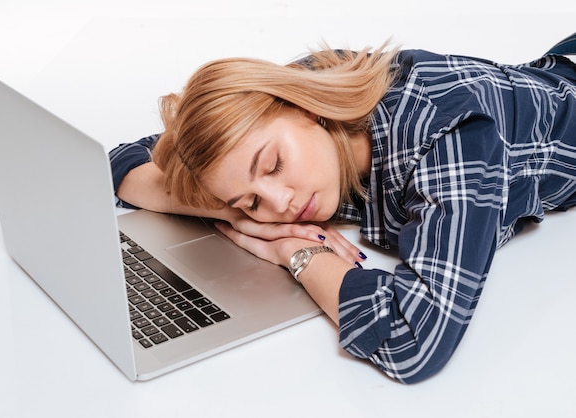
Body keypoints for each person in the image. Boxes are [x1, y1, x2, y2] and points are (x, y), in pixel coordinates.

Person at [109, 34, 576, 383]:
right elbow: (125, 162)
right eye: (251, 198)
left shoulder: (451, 137)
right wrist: (235, 214)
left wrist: (299, 254)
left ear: (305, 106)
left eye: (273, 165)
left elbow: (415, 340)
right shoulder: (277, 110)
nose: (281, 204)